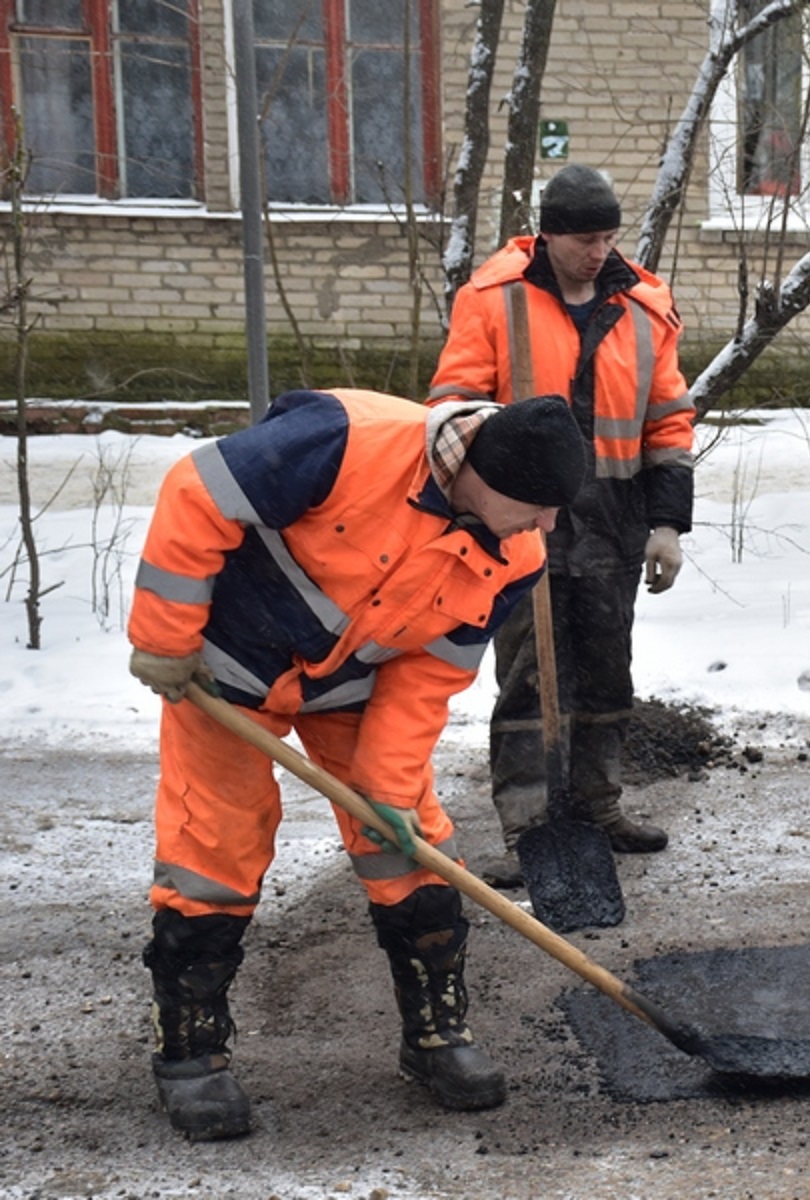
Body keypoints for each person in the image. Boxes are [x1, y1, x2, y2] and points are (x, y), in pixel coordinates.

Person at [126, 388, 590, 1139]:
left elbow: (429, 677)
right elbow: (196, 489)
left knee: (412, 848)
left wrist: (390, 792)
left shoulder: (515, 556)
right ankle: (190, 1055)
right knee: (215, 847)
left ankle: (437, 1038)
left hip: (358, 684)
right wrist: (164, 636)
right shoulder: (344, 440)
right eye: (536, 504)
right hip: (228, 670)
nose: (547, 526)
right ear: (482, 474)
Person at [430, 164, 696, 883]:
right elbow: (454, 406)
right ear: (547, 235)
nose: (599, 252)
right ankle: (528, 821)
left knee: (608, 670)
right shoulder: (493, 300)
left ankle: (598, 803)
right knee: (528, 675)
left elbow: (667, 418)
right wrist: (491, 503)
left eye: (608, 237)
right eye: (584, 239)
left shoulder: (645, 306)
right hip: (520, 518)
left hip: (614, 515)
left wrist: (668, 522)